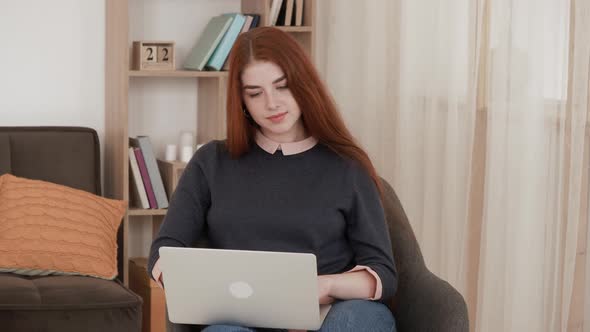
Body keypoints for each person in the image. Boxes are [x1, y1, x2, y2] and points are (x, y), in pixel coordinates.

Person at [148, 27, 397, 332]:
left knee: (359, 320)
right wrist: (194, 287)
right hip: (242, 320)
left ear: (304, 85)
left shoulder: (347, 166)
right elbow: (164, 251)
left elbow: (382, 272)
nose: (272, 103)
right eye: (255, 93)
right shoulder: (210, 162)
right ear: (241, 100)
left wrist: (324, 286)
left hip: (331, 317)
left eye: (283, 86)